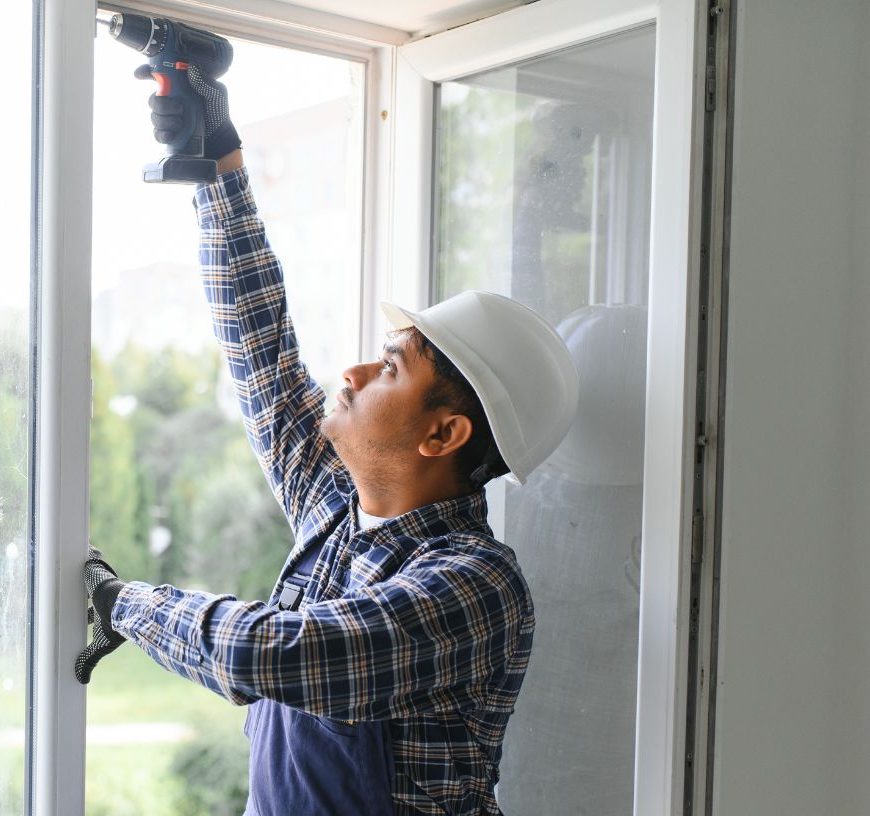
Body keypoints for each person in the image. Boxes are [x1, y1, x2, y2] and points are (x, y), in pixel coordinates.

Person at [76, 62, 579, 816]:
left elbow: (271, 653)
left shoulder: (475, 587)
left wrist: (124, 602)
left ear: (444, 432)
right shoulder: (340, 510)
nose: (355, 369)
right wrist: (219, 164)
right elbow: (263, 355)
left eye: (391, 365)